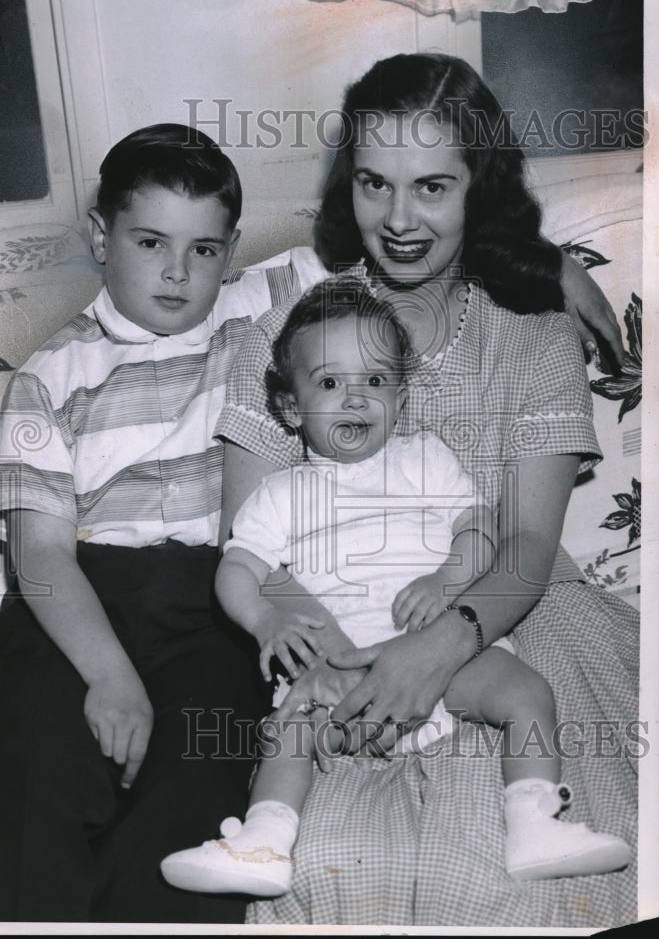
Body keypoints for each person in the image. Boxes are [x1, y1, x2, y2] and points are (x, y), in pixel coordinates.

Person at [213, 54, 639, 927]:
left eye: (432, 188)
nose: (398, 221)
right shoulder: (285, 332)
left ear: (476, 188)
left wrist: (434, 651)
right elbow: (250, 551)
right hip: (334, 630)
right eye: (374, 184)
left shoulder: (530, 335)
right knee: (321, 868)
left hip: (513, 620)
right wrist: (346, 662)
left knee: (510, 875)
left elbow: (522, 544)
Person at [0, 124, 325, 923]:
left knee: (194, 790)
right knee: (36, 761)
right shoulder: (53, 374)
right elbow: (40, 558)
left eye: (204, 251)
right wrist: (112, 678)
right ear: (100, 235)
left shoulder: (253, 308)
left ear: (232, 250)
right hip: (78, 604)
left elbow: (406, 249)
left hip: (212, 608)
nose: (178, 273)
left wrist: (546, 265)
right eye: (150, 242)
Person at [160, 277, 631, 897]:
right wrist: (266, 623)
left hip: (443, 652)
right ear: (290, 406)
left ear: (402, 396)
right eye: (330, 383)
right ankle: (265, 841)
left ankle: (536, 822)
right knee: (289, 729)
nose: (355, 399)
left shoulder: (425, 459)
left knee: (526, 692)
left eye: (376, 382)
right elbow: (237, 570)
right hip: (341, 674)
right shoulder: (280, 496)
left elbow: (479, 529)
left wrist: (448, 578)